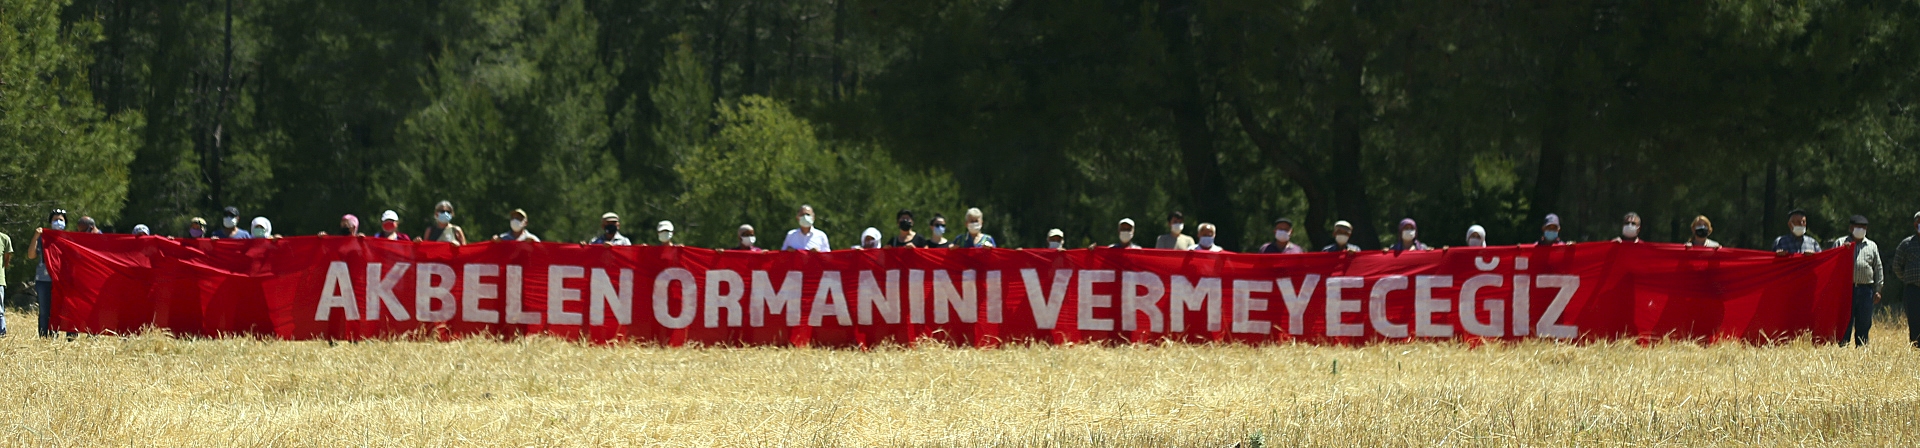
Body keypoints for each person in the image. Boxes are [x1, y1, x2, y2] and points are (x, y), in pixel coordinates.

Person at [1833, 215, 1882, 346]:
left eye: (1864, 227)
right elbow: (1832, 265)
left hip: (1866, 289)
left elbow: (1878, 268)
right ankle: (1842, 348)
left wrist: (1878, 289)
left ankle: (1862, 349)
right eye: (1858, 227)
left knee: (1864, 322)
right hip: (1845, 290)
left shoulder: (1871, 245)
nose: (1861, 229)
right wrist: (1843, 251)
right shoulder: (1840, 243)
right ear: (1851, 228)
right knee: (1844, 321)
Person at [28, 209, 67, 337]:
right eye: (55, 220)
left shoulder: (68, 239)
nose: (58, 222)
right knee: (44, 311)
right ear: (50, 222)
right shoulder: (43, 238)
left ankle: (56, 335)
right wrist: (36, 236)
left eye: (61, 220)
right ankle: (44, 337)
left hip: (61, 280)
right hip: (43, 279)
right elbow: (31, 255)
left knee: (59, 310)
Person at [1893, 211, 1920, 348]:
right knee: (1914, 321)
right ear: (1915, 225)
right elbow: (1897, 265)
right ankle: (1916, 351)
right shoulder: (1906, 244)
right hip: (1913, 290)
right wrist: (1907, 278)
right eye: (1919, 222)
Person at [0, 227, 11, 335]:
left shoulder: (4, 238)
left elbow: (7, 259)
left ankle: (2, 333)